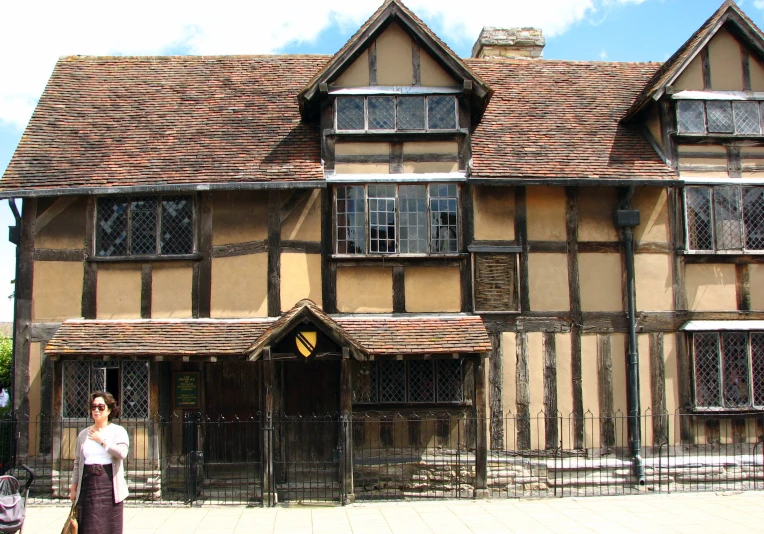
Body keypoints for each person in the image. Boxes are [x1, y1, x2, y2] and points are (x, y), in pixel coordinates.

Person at [69, 391, 129, 533]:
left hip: (109, 484)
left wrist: (102, 440)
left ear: (109, 410)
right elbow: (78, 462)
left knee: (110, 527)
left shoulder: (118, 431)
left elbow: (122, 453)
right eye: (93, 407)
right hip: (88, 485)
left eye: (101, 407)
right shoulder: (83, 434)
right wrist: (73, 486)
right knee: (88, 526)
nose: (96, 410)